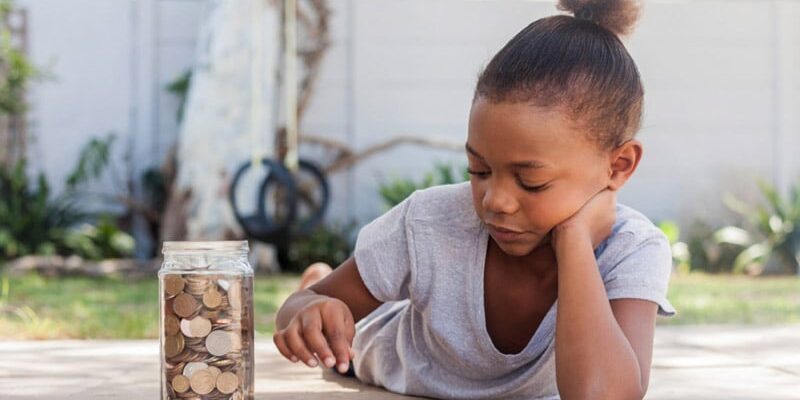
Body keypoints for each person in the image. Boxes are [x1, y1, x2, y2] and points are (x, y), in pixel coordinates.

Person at [273, 0, 676, 398]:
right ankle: (317, 272)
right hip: (375, 346)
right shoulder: (428, 223)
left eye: (531, 181)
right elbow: (297, 309)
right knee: (341, 320)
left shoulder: (632, 250)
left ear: (619, 166)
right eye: (479, 171)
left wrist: (574, 241)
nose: (495, 201)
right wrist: (309, 309)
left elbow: (604, 396)